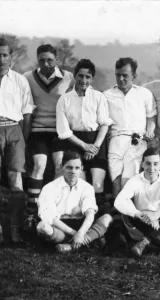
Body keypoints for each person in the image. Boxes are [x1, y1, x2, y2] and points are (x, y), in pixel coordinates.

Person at [23, 44, 74, 226]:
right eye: (42, 60)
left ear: (57, 60)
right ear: (37, 60)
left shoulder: (68, 78)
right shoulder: (27, 78)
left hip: (59, 131)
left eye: (50, 60)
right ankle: (30, 214)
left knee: (60, 167)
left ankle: (52, 212)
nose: (46, 63)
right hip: (38, 130)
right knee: (39, 166)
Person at [53, 59, 111, 210]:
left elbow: (104, 124)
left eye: (87, 77)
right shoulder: (64, 100)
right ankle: (80, 219)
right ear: (74, 76)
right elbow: (64, 131)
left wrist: (95, 147)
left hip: (97, 142)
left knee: (98, 184)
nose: (83, 80)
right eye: (80, 76)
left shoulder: (99, 97)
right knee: (81, 184)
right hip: (75, 142)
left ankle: (99, 223)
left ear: (92, 79)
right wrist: (85, 146)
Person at [36, 151, 113, 252]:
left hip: (80, 225)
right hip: (60, 226)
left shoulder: (87, 187)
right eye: (69, 167)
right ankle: (86, 242)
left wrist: (80, 233)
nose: (73, 171)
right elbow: (51, 218)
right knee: (42, 226)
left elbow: (90, 213)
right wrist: (75, 234)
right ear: (61, 166)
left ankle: (69, 247)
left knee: (108, 218)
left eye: (77, 168)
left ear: (81, 169)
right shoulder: (50, 187)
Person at [114, 147, 160, 257]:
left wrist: (157, 214)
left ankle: (144, 242)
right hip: (142, 221)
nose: (151, 168)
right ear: (142, 164)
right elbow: (118, 201)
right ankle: (159, 241)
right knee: (127, 210)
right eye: (148, 163)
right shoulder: (135, 180)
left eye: (155, 164)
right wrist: (140, 215)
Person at [104, 57, 157, 198]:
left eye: (125, 75)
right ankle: (117, 217)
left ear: (134, 76)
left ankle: (130, 216)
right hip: (115, 142)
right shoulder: (106, 95)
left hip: (137, 142)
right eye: (118, 75)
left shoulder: (144, 94)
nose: (121, 79)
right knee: (115, 182)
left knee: (128, 182)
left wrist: (150, 131)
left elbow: (151, 116)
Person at [0, 37, 35, 243]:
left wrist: (24, 137)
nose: (1, 59)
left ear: (11, 58)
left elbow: (27, 112)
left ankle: (15, 228)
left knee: (16, 182)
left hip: (14, 130)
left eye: (5, 55)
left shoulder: (20, 80)